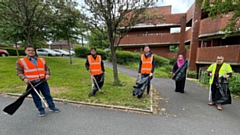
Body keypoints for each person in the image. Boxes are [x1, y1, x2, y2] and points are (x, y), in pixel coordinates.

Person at [16, 45, 60, 117]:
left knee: (47, 95)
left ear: (34, 51)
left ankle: (52, 107)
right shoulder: (21, 61)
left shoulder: (41, 60)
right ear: (25, 51)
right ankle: (41, 110)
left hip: (43, 81)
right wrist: (24, 78)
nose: (31, 52)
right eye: (29, 50)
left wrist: (47, 74)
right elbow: (19, 72)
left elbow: (47, 69)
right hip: (32, 83)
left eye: (32, 50)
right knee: (36, 97)